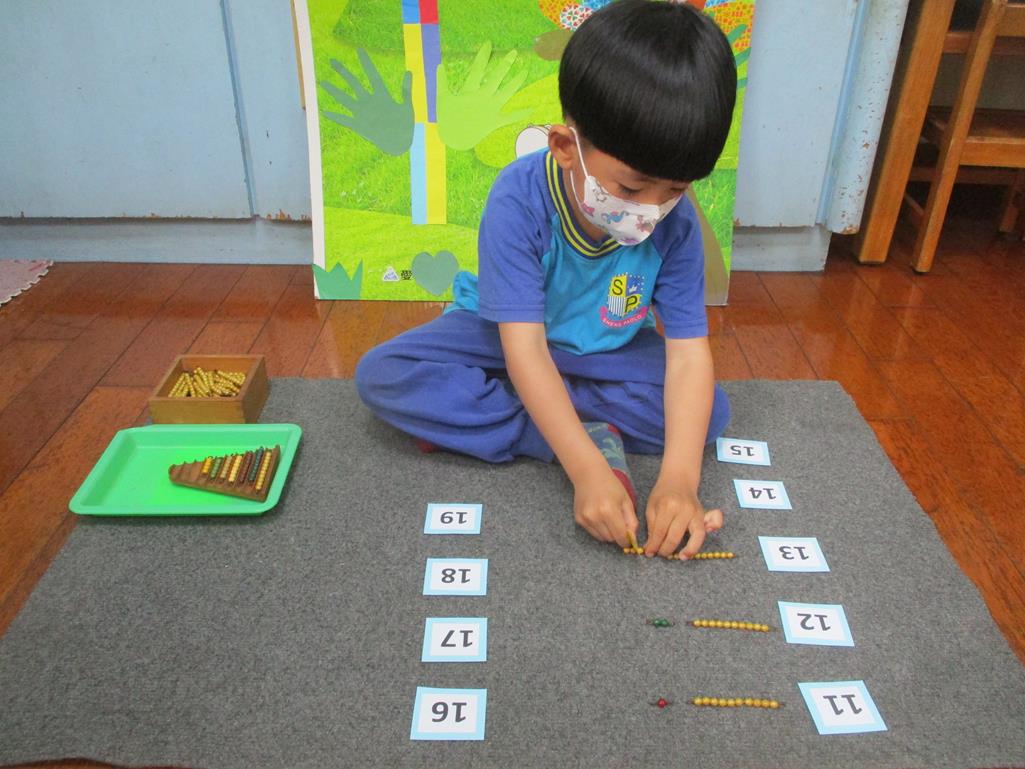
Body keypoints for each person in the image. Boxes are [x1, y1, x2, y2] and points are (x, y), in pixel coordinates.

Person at [356, 0, 737, 560]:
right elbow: (525, 348)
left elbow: (687, 356)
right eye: (632, 189)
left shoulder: (675, 224)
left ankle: (543, 407)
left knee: (712, 412)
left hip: (605, 350)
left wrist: (680, 480)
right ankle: (555, 429)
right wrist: (586, 467)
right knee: (384, 374)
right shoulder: (518, 198)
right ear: (564, 148)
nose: (652, 210)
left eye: (676, 189)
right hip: (506, 338)